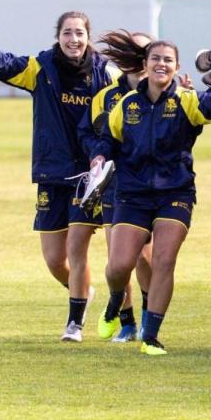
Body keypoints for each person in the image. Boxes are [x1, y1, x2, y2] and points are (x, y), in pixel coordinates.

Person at [0, 6, 116, 342]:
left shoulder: (106, 72)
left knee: (78, 250)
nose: (74, 39)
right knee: (54, 259)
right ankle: (84, 292)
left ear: (88, 37)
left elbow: (134, 94)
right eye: (67, 33)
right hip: (52, 173)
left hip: (91, 175)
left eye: (79, 33)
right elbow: (0, 65)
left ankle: (75, 322)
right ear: (58, 37)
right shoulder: (39, 68)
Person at [91, 40, 211, 355]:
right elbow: (108, 139)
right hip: (133, 193)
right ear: (145, 65)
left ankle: (150, 336)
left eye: (168, 60)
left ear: (177, 67)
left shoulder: (186, 100)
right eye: (155, 59)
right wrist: (99, 157)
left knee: (164, 260)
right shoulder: (127, 104)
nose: (161, 64)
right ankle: (114, 301)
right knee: (119, 265)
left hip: (174, 192)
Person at [80, 30, 158, 343]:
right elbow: (88, 133)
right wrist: (98, 156)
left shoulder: (161, 91)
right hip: (115, 186)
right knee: (118, 259)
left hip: (151, 187)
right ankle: (125, 321)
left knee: (145, 258)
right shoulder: (107, 95)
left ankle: (149, 319)